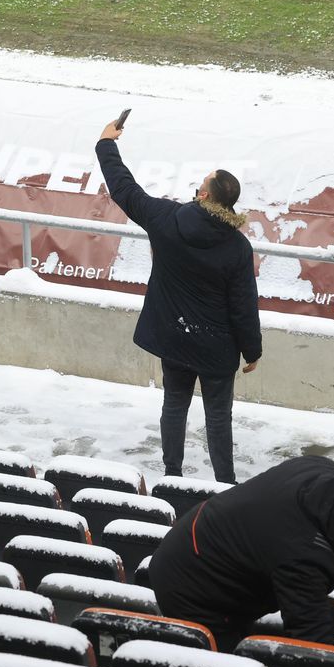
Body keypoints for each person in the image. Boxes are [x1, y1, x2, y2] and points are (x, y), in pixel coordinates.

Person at [95, 119, 261, 484]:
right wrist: (252, 351)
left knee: (174, 405)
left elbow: (124, 189)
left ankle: (172, 475)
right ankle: (224, 483)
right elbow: (243, 305)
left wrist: (106, 144)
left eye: (200, 185)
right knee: (219, 417)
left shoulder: (165, 218)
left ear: (204, 196)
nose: (196, 188)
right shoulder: (237, 247)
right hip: (217, 348)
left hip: (174, 339)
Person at [148, 455, 334, 652]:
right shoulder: (304, 555)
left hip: (201, 539)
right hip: (192, 585)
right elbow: (312, 645)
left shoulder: (324, 471)